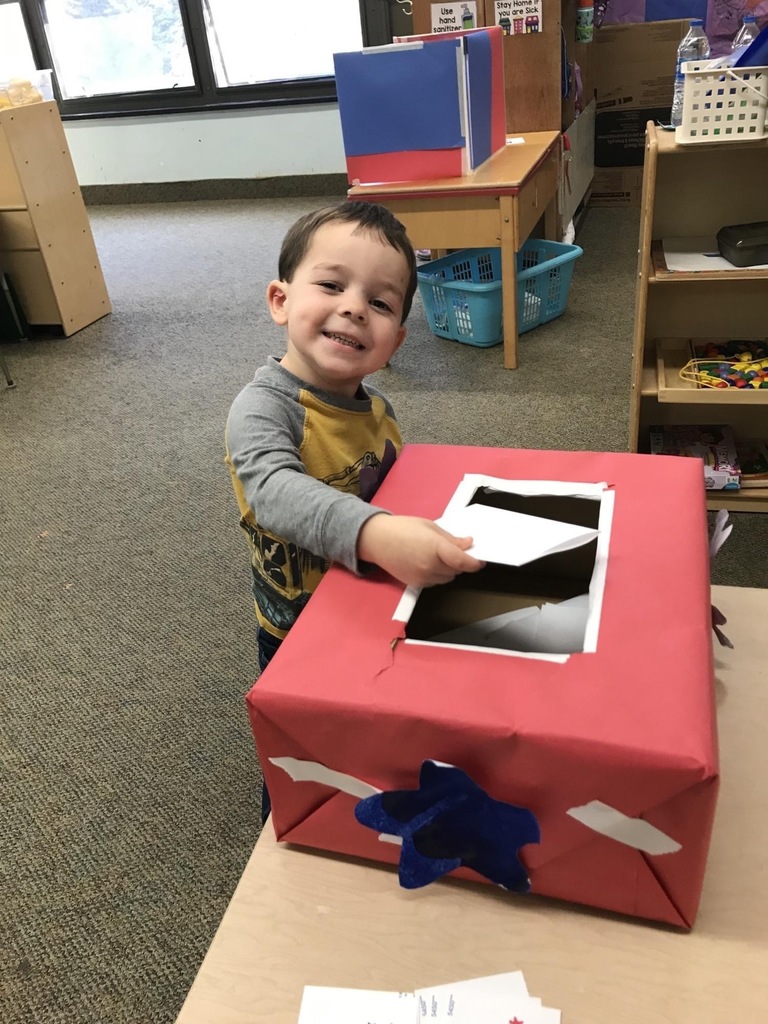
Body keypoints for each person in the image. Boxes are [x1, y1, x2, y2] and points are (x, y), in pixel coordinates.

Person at [225, 201, 484, 817]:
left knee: (373, 726)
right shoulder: (264, 408)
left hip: (367, 602)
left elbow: (399, 487)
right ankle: (284, 832)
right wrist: (377, 533)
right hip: (297, 624)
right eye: (332, 284)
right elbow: (274, 492)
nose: (354, 307)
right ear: (281, 300)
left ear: (394, 340)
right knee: (302, 749)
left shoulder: (377, 409)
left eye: (381, 302)